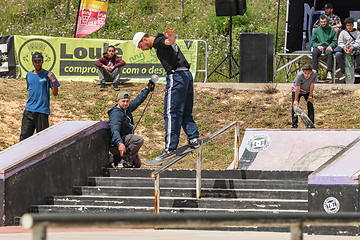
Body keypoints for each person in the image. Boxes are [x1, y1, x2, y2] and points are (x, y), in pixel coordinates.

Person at [132, 28, 201, 161]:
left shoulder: (158, 41)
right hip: (186, 75)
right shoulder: (159, 42)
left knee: (171, 112)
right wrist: (170, 39)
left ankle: (170, 148)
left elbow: (167, 42)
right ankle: (193, 138)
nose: (142, 49)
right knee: (186, 110)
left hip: (177, 77)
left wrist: (171, 38)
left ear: (144, 40)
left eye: (141, 46)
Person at [108, 81, 154, 168]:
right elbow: (115, 130)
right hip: (116, 144)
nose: (125, 103)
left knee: (137, 164)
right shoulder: (116, 114)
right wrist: (120, 143)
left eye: (127, 101)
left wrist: (147, 89)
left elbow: (138, 100)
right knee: (138, 140)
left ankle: (113, 159)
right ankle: (124, 161)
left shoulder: (126, 109)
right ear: (118, 101)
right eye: (123, 101)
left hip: (124, 142)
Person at [19, 52, 60, 141]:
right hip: (29, 111)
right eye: (35, 61)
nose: (37, 63)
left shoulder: (48, 74)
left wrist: (53, 80)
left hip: (42, 111)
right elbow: (31, 91)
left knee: (43, 140)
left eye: (39, 61)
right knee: (24, 138)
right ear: (32, 62)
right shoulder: (29, 75)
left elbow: (55, 93)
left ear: (42, 62)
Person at [311, 14, 337, 80]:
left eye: (324, 22)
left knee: (329, 53)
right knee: (314, 52)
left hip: (328, 46)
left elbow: (334, 41)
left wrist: (331, 46)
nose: (323, 23)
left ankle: (329, 72)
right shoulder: (316, 30)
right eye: (321, 22)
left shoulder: (332, 30)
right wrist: (317, 45)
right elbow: (313, 42)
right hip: (319, 46)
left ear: (327, 21)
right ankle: (315, 72)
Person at [291, 64, 318, 129]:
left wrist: (310, 97)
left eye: (308, 73)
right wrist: (296, 100)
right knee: (295, 106)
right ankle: (294, 125)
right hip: (297, 90)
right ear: (303, 72)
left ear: (311, 72)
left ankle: (311, 124)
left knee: (310, 104)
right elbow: (297, 87)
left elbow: (312, 85)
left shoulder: (314, 73)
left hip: (307, 90)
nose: (306, 75)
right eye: (305, 73)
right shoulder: (299, 75)